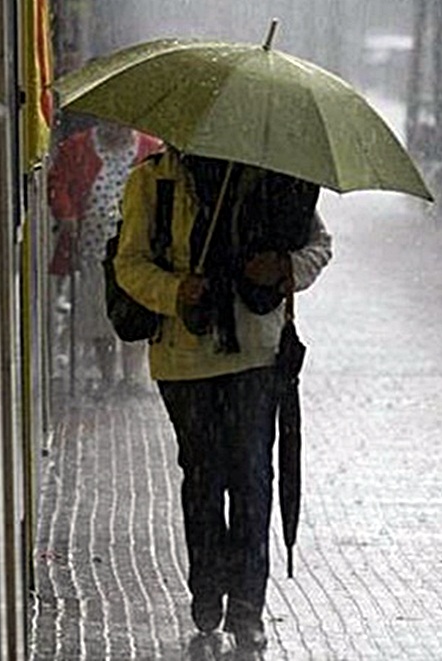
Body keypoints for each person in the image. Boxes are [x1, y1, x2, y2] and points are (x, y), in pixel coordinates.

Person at [114, 147, 332, 656]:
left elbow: (318, 244)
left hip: (256, 355)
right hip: (184, 361)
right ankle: (207, 591)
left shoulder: (270, 179)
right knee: (205, 476)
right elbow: (129, 262)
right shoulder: (154, 182)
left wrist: (283, 266)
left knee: (254, 477)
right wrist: (175, 290)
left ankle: (248, 610)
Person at [47, 119, 161, 394]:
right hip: (93, 249)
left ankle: (132, 376)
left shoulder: (150, 148)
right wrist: (67, 215)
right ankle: (108, 376)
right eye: (112, 123)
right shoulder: (78, 147)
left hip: (137, 247)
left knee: (135, 307)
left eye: (123, 124)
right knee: (99, 311)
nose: (118, 129)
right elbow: (58, 183)